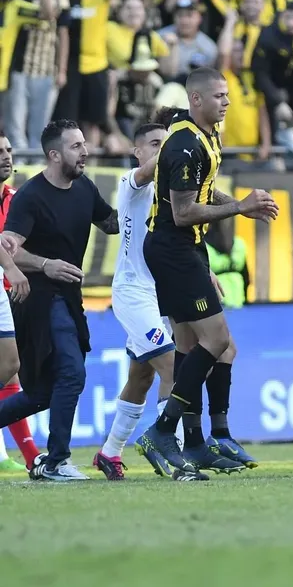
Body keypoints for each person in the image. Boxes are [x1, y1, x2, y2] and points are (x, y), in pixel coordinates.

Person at [135, 68, 280, 478]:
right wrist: (240, 207)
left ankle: (196, 443)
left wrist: (237, 201)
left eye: (228, 94)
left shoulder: (204, 135)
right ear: (196, 100)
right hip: (173, 247)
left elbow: (201, 191)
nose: (227, 102)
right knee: (217, 340)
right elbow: (182, 213)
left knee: (186, 345)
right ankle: (162, 432)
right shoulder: (182, 144)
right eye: (219, 96)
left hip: (185, 248)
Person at [0, 120, 119, 481]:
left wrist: (143, 195)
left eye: (84, 144)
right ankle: (55, 462)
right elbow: (7, 247)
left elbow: (111, 222)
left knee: (42, 392)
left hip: (68, 298)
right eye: (76, 146)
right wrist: (44, 265)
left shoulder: (83, 187)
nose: (85, 151)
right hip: (37, 301)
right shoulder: (31, 196)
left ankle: (51, 462)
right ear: (54, 155)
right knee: (71, 373)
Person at [92, 123, 180, 480]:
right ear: (138, 151)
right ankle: (168, 444)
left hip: (161, 295)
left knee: (142, 377)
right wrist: (179, 148)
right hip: (133, 293)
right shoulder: (131, 182)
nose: (165, 150)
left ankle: (109, 452)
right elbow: (151, 170)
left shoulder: (172, 192)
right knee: (174, 368)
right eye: (157, 145)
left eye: (168, 144)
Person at [0, 136, 41, 472]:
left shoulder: (14, 200)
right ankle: (30, 456)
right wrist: (11, 266)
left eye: (9, 151)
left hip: (5, 292)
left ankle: (29, 456)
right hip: (6, 285)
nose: (6, 157)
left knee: (10, 366)